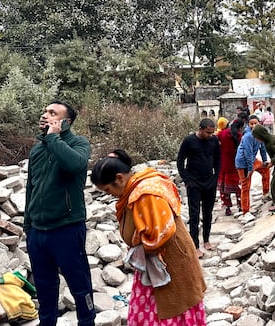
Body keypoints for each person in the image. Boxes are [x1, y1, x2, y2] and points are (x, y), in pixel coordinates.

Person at [91, 150, 206, 325]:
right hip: (154, 265)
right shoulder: (134, 189)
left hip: (169, 263)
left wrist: (136, 248)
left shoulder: (146, 194)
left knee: (168, 309)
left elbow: (159, 235)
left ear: (120, 178)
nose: (109, 194)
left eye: (108, 189)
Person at [24, 101, 95, 326]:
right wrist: (28, 226)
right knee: (45, 289)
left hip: (67, 228)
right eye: (44, 111)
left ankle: (87, 321)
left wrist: (54, 137)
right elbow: (30, 188)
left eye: (52, 113)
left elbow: (75, 165)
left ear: (66, 122)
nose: (44, 115)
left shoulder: (78, 144)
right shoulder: (37, 149)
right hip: (38, 232)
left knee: (79, 284)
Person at [176, 118, 221, 257]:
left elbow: (218, 160)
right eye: (208, 132)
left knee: (208, 213)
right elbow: (180, 161)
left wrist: (215, 177)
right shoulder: (189, 141)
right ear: (200, 129)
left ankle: (206, 240)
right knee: (194, 214)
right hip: (194, 182)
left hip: (209, 181)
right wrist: (187, 179)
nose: (210, 135)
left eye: (212, 132)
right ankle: (195, 245)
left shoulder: (213, 141)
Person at [235, 115, 270, 214]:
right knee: (246, 186)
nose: (254, 125)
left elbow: (262, 148)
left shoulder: (260, 134)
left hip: (252, 160)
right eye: (251, 124)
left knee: (266, 169)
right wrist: (250, 169)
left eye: (256, 123)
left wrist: (265, 161)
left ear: (259, 123)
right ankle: (245, 211)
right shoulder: (248, 136)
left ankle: (266, 193)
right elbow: (247, 153)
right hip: (243, 163)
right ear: (248, 124)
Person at [217, 119, 244, 216]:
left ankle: (227, 207)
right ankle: (241, 206)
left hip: (223, 164)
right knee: (239, 187)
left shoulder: (221, 134)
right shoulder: (240, 136)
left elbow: (215, 145)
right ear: (240, 127)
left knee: (224, 188)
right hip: (236, 165)